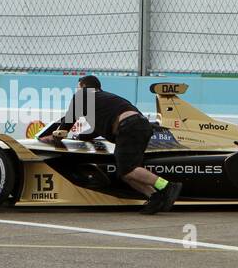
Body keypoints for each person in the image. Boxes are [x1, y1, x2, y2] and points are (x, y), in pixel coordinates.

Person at [38, 75, 183, 215]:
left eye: (78, 87)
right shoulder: (105, 101)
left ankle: (167, 186)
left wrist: (54, 137)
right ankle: (154, 197)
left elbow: (67, 122)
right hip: (140, 126)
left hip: (129, 127)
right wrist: (80, 136)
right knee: (125, 173)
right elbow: (96, 130)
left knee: (129, 170)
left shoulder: (83, 95)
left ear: (83, 86)